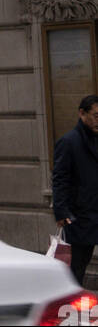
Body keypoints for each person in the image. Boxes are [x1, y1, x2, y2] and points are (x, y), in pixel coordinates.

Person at [52, 94, 98, 287]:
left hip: (95, 210)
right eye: (96, 115)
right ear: (82, 114)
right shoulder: (69, 142)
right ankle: (69, 305)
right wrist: (62, 212)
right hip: (81, 216)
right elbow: (60, 179)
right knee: (77, 266)